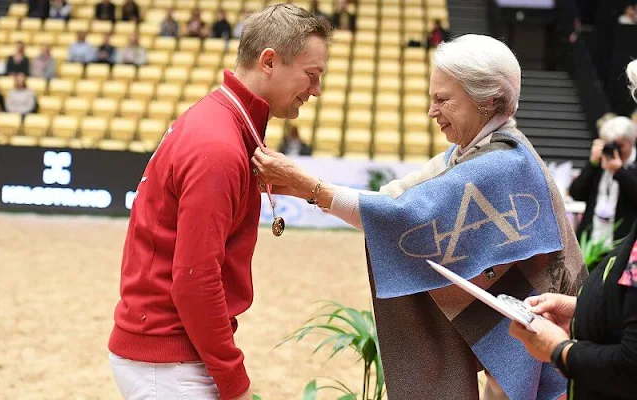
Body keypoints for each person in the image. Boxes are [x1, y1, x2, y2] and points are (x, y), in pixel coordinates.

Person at [252, 34, 587, 399]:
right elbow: (391, 201)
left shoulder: (504, 164)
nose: (431, 111)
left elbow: (404, 216)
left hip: (547, 337)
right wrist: (309, 189)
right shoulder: (465, 154)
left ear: (487, 100)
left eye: (442, 100)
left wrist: (312, 187)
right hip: (520, 338)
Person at [107, 4, 331, 400]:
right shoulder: (219, 144)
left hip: (167, 347)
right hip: (170, 356)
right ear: (269, 61)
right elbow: (196, 280)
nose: (316, 90)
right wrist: (234, 381)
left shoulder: (222, 122)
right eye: (311, 76)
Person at [510, 60, 637, 400]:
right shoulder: (602, 166)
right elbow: (578, 192)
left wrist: (559, 350)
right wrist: (584, 308)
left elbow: (630, 363)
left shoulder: (631, 170)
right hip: (599, 238)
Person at [569, 116, 637, 244]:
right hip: (592, 240)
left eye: (619, 145)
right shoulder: (600, 161)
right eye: (610, 144)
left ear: (631, 141)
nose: (614, 151)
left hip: (622, 242)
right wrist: (592, 163)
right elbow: (576, 193)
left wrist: (619, 171)